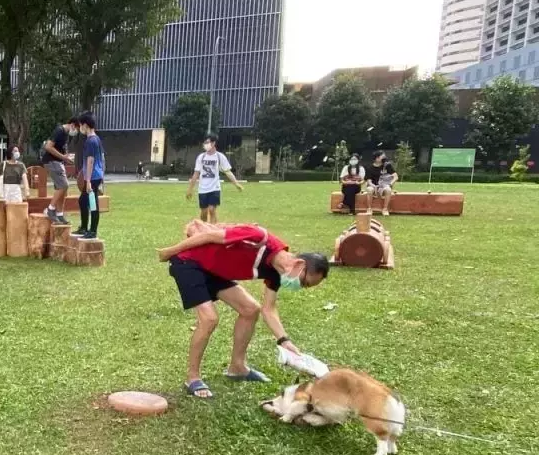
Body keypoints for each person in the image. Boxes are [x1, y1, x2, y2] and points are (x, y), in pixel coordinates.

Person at [157, 221, 329, 399]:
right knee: (209, 319)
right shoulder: (259, 238)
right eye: (304, 282)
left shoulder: (278, 273)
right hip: (189, 263)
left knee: (250, 309)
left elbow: (268, 309)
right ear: (300, 264)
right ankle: (192, 377)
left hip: (214, 271)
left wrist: (284, 341)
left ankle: (237, 367)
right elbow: (207, 236)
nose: (299, 286)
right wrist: (171, 251)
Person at [186, 133, 242, 223]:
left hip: (215, 188)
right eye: (205, 143)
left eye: (207, 142)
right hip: (203, 189)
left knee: (212, 210)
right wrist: (190, 189)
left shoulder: (220, 157)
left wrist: (236, 183)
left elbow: (228, 171)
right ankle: (203, 228)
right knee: (204, 212)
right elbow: (196, 174)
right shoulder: (201, 157)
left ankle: (213, 230)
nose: (205, 145)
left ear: (213, 143)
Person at [41, 115, 80, 225]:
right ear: (72, 125)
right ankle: (50, 209)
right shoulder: (59, 131)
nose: (77, 132)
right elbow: (48, 147)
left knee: (62, 188)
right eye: (77, 129)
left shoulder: (66, 134)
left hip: (58, 162)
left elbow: (60, 149)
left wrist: (66, 157)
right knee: (64, 185)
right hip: (51, 161)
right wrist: (64, 157)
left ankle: (59, 214)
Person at [72, 112, 105, 239]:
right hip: (95, 176)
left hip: (93, 177)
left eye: (80, 125)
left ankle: (91, 231)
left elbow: (90, 161)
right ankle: (85, 228)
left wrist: (88, 181)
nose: (80, 128)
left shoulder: (91, 141)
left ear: (85, 125)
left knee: (92, 203)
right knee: (84, 201)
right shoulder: (96, 139)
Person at [365, 151, 398, 216]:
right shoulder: (370, 168)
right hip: (373, 185)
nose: (384, 158)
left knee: (388, 190)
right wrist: (373, 186)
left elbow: (395, 177)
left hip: (384, 185)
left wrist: (390, 184)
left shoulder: (387, 166)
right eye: (382, 156)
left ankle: (385, 209)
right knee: (369, 189)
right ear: (377, 158)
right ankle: (369, 209)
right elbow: (369, 181)